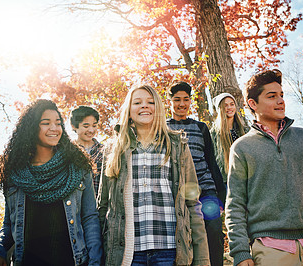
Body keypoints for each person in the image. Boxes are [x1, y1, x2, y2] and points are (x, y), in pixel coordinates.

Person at [225, 69, 303, 266]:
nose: (280, 101)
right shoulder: (242, 147)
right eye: (272, 96)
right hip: (270, 250)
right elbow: (236, 204)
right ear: (252, 103)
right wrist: (241, 252)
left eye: (282, 95)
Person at [98, 85, 209, 266]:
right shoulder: (114, 149)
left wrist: (202, 259)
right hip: (128, 252)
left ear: (158, 108)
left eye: (151, 102)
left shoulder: (177, 145)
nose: (144, 106)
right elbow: (103, 206)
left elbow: (192, 203)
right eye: (137, 102)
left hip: (169, 250)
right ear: (128, 110)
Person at [0, 99, 102, 266]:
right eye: (46, 123)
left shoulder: (78, 167)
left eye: (58, 123)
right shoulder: (15, 173)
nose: (54, 128)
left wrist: (95, 261)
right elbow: (9, 225)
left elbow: (90, 218)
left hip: (72, 261)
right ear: (32, 128)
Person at [166, 81, 225, 266]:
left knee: (214, 230)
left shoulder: (201, 128)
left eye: (185, 99)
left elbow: (210, 160)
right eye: (177, 99)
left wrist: (221, 194)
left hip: (205, 189)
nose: (181, 104)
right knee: (183, 233)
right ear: (170, 102)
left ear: (190, 101)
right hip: (178, 189)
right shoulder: (163, 127)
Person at [211, 92, 248, 184]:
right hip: (226, 181)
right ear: (220, 109)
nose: (229, 108)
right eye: (225, 105)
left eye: (232, 104)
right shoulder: (214, 133)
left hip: (246, 180)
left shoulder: (245, 131)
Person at [71, 106, 103, 196]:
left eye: (94, 125)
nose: (91, 130)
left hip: (99, 206)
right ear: (74, 126)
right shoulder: (68, 151)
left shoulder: (105, 151)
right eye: (86, 126)